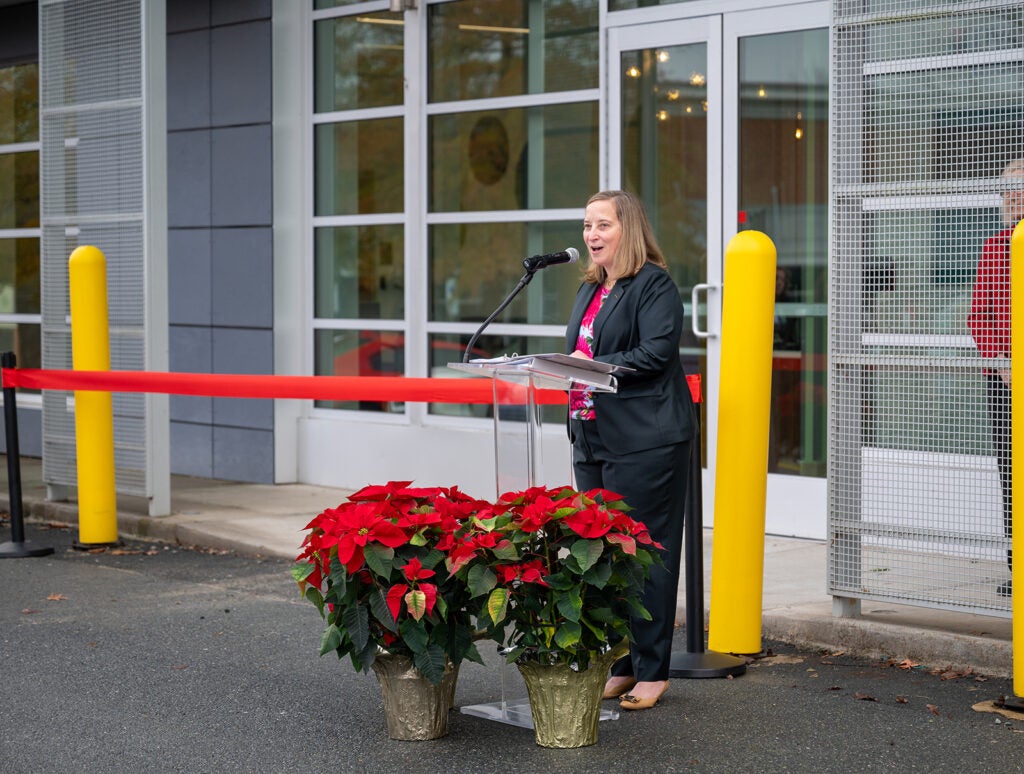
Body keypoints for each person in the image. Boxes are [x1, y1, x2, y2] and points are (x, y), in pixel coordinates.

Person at [565, 190, 694, 710]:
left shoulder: (653, 284)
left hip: (646, 439)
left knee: (645, 554)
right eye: (586, 225)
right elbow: (582, 349)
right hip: (593, 433)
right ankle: (621, 662)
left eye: (602, 225)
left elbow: (656, 352)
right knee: (604, 554)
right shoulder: (592, 289)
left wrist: (590, 366)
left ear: (629, 230)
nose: (591, 235)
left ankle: (652, 670)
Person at [967, 158, 1024, 598]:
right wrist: (1002, 362)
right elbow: (979, 317)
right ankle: (1018, 567)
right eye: (1006, 189)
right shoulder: (995, 247)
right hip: (1004, 380)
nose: (1012, 195)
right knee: (1011, 471)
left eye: (1020, 187)